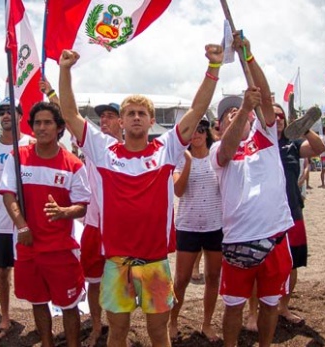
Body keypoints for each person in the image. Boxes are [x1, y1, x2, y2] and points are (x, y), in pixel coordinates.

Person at [59, 42, 222, 346]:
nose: (136, 117)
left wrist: (213, 68)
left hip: (155, 262)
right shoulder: (103, 149)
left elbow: (197, 109)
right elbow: (69, 113)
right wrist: (65, 70)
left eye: (142, 113)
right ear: (121, 121)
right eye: (130, 113)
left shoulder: (167, 148)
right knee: (118, 332)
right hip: (116, 262)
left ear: (151, 120)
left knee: (158, 332)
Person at [210, 35, 293, 347]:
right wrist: (243, 104)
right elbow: (228, 151)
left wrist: (249, 55)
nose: (238, 115)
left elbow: (266, 93)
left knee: (271, 303)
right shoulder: (217, 149)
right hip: (237, 241)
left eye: (241, 113)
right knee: (233, 305)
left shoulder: (267, 135)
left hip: (275, 236)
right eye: (229, 114)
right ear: (219, 126)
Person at [0, 101, 90, 347]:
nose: (41, 127)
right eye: (37, 123)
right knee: (38, 302)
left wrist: (64, 212)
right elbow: (9, 195)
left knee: (69, 306)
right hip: (28, 247)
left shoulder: (73, 164)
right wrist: (22, 226)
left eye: (48, 122)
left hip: (60, 250)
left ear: (59, 127)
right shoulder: (17, 158)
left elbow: (82, 205)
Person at [0, 99, 34, 339]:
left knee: (33, 268)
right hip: (0, 219)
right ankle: (4, 317)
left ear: (20, 116)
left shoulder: (30, 143)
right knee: (2, 271)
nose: (5, 116)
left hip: (26, 218)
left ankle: (39, 317)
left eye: (10, 112)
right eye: (1, 113)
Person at [169, 117, 222, 341]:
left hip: (215, 226)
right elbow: (178, 191)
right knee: (181, 280)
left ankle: (206, 323)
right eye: (192, 129)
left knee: (212, 277)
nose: (197, 133)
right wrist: (189, 162)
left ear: (207, 132)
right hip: (188, 226)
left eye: (201, 129)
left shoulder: (218, 157)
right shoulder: (180, 158)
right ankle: (172, 321)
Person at [274, 104, 324, 324]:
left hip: (292, 210)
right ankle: (257, 310)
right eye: (272, 115)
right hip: (265, 214)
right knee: (262, 262)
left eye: (281, 116)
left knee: (292, 262)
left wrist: (303, 128)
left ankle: (283, 307)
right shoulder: (257, 144)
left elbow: (319, 148)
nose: (277, 119)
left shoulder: (292, 145)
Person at [79, 101, 123, 346]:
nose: (104, 120)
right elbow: (71, 116)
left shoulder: (131, 148)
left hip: (120, 228)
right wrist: (52, 92)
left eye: (110, 116)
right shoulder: (92, 143)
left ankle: (118, 331)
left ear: (121, 121)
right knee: (93, 280)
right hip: (94, 224)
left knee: (121, 282)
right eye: (101, 116)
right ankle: (97, 326)